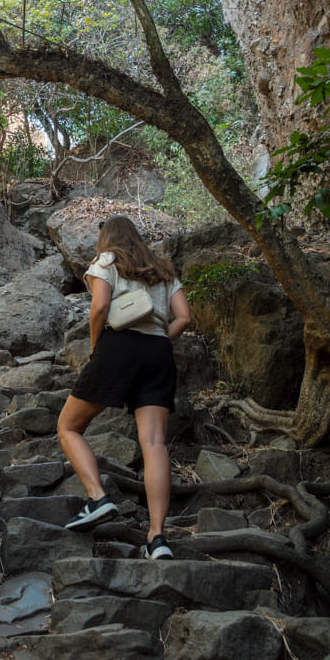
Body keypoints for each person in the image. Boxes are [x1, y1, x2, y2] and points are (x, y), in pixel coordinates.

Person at [57, 215, 191, 560]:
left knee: (68, 426)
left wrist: (95, 345)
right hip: (159, 354)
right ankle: (157, 538)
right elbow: (184, 317)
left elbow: (100, 306)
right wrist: (161, 340)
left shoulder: (107, 261)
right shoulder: (163, 268)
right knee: (154, 443)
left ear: (107, 239)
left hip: (119, 347)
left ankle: (98, 498)